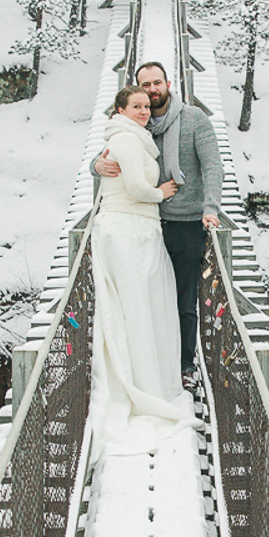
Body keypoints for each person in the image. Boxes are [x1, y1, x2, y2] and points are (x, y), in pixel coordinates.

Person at [93, 60, 219, 387]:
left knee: (182, 297)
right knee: (148, 299)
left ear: (168, 83)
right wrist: (97, 165)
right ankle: (151, 365)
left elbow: (213, 167)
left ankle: (184, 366)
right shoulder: (138, 120)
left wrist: (211, 208)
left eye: (157, 83)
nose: (152, 91)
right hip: (145, 223)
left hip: (185, 222)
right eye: (145, 85)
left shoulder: (194, 119)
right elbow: (113, 151)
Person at [87, 85, 192, 453]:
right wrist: (162, 193)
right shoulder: (128, 139)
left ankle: (149, 383)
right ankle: (144, 386)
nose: (144, 111)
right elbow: (134, 186)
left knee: (142, 311)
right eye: (136, 105)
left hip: (137, 231)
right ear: (120, 109)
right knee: (136, 311)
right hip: (127, 232)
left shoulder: (136, 136)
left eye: (147, 106)